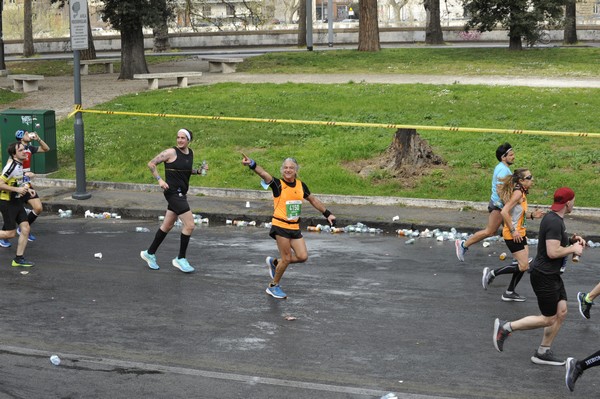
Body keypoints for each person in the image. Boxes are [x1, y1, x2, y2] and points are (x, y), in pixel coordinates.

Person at [493, 187, 585, 366]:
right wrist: (573, 249)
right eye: (573, 200)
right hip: (544, 275)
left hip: (552, 275)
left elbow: (555, 243)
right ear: (568, 203)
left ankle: (543, 352)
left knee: (562, 311)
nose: (574, 203)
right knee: (548, 318)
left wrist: (572, 241)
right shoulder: (554, 222)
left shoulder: (555, 218)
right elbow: (552, 252)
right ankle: (506, 327)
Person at [241, 154, 336, 299]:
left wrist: (327, 214)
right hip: (280, 226)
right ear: (281, 170)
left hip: (294, 227)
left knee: (303, 256)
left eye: (291, 168)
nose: (288, 170)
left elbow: (313, 200)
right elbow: (264, 174)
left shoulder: (300, 185)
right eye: (285, 167)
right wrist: (252, 164)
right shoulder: (277, 184)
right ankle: (273, 286)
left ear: (296, 170)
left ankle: (275, 263)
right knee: (286, 258)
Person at [140, 128, 204, 273]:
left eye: (183, 138)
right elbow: (151, 164)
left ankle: (149, 253)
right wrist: (160, 180)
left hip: (182, 193)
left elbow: (186, 170)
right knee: (190, 225)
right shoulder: (171, 152)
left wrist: (198, 171)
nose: (180, 140)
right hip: (173, 193)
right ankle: (180, 258)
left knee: (167, 225)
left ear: (188, 140)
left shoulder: (190, 153)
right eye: (178, 137)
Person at [481, 168, 544, 301]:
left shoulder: (521, 192)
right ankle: (492, 273)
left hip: (520, 233)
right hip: (513, 235)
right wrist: (513, 231)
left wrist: (532, 215)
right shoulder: (517, 194)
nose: (532, 180)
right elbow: (504, 212)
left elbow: (519, 213)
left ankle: (509, 292)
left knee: (523, 264)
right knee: (524, 265)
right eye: (529, 177)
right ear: (521, 181)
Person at [455, 142, 515, 261]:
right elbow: (500, 191)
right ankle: (463, 245)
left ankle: (519, 257)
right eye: (511, 155)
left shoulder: (501, 167)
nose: (514, 156)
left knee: (512, 231)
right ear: (504, 157)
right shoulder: (504, 171)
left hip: (500, 206)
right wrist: (508, 206)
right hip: (499, 207)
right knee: (491, 231)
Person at [0, 129, 50, 248]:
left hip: (25, 185)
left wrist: (38, 139)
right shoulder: (16, 153)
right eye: (27, 134)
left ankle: (23, 229)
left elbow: (46, 149)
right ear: (21, 138)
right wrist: (24, 175)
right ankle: (6, 237)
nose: (30, 135)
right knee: (13, 212)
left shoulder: (30, 149)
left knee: (38, 208)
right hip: (16, 187)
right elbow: (9, 171)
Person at [0, 142, 36, 267]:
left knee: (25, 228)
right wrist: (17, 190)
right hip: (7, 202)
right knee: (10, 234)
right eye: (20, 150)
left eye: (24, 149)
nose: (24, 152)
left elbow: (16, 182)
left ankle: (18, 259)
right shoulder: (11, 167)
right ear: (14, 155)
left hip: (16, 201)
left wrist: (26, 188)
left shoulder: (20, 165)